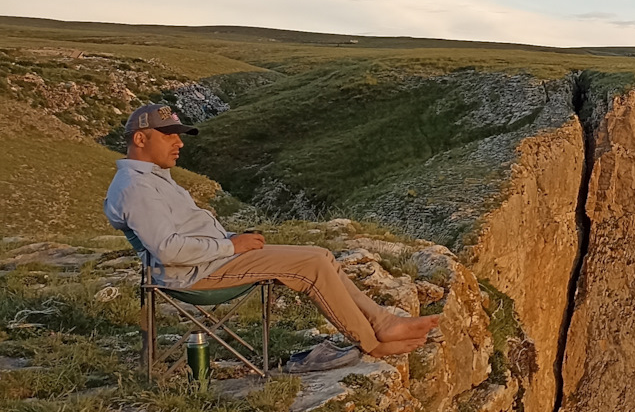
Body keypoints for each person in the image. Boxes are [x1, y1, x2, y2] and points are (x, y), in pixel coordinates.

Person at [103, 103, 439, 360]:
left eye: (179, 135)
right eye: (169, 135)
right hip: (194, 275)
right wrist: (232, 247)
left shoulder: (153, 179)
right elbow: (169, 250)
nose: (179, 143)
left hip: (209, 262)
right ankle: (370, 343)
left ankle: (382, 322)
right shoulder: (137, 186)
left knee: (321, 255)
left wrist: (231, 243)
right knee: (312, 266)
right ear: (140, 138)